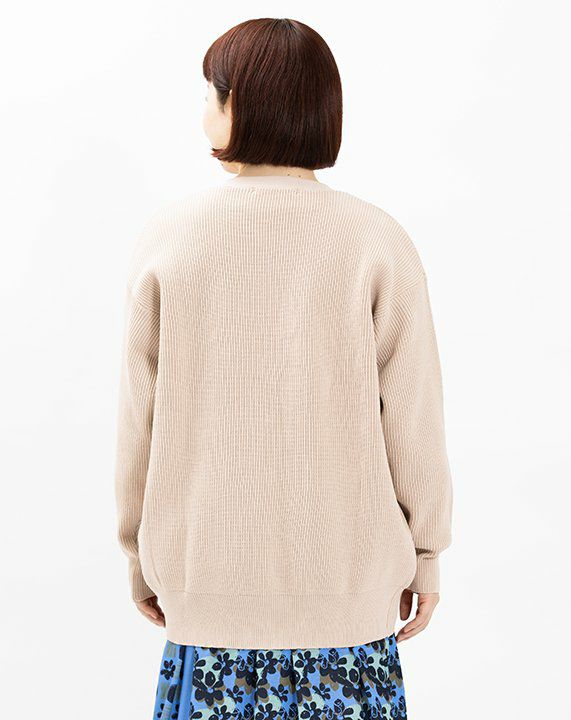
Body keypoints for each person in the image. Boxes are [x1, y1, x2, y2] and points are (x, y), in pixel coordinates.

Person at [114, 17, 453, 720]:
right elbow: (414, 415)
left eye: (211, 94)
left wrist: (137, 552)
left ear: (241, 103)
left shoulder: (168, 238)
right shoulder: (376, 239)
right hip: (348, 601)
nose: (203, 111)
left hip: (206, 590)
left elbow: (137, 416)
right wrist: (425, 553)